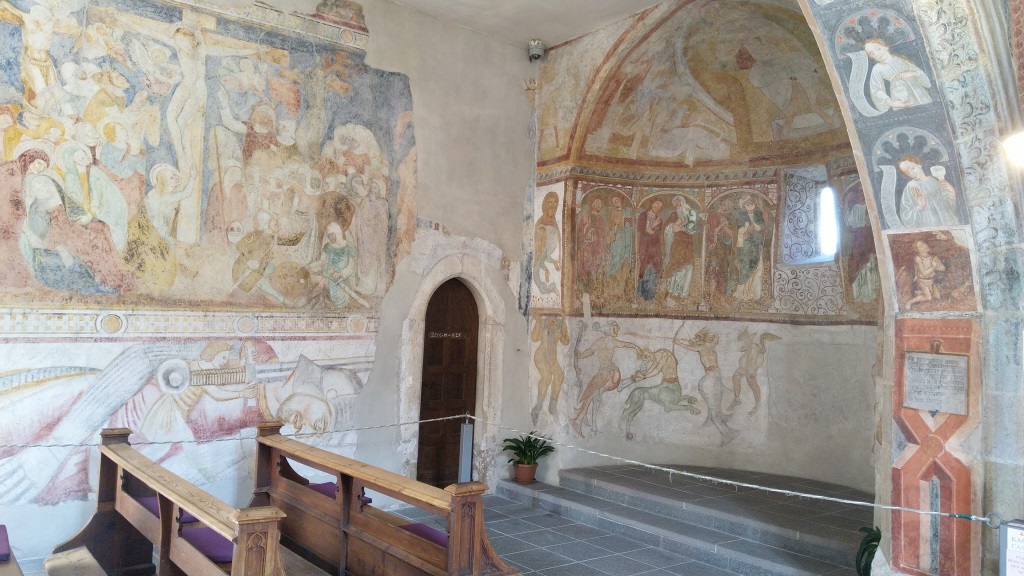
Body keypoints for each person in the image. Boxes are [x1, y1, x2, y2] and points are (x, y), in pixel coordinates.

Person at [570, 322, 639, 437]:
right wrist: (636, 347)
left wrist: (580, 355)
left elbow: (590, 351)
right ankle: (589, 423)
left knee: (592, 396)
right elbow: (624, 344)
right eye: (614, 327)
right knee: (594, 396)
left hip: (607, 373)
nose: (617, 329)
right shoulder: (608, 341)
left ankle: (583, 421)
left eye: (617, 328)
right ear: (608, 329)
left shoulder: (605, 341)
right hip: (612, 373)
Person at [619, 347, 699, 440]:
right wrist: (639, 375)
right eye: (645, 360)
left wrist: (640, 376)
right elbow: (651, 371)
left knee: (669, 401)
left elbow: (656, 370)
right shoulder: (656, 358)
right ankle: (622, 425)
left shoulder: (664, 353)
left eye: (646, 357)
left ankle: (687, 400)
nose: (648, 360)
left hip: (671, 384)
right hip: (666, 384)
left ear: (649, 351)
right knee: (634, 409)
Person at [675, 328, 737, 446]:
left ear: (701, 339)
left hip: (714, 378)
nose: (695, 340)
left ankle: (725, 426)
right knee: (714, 407)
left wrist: (681, 343)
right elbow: (710, 340)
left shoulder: (703, 346)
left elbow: (692, 346)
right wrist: (687, 343)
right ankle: (724, 427)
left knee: (715, 407)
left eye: (697, 338)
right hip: (713, 377)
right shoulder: (708, 346)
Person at [864, 39, 932, 112]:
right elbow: (876, 90)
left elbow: (923, 78)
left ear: (886, 47)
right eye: (872, 54)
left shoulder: (901, 59)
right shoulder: (877, 68)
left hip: (917, 92)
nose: (876, 54)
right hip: (899, 95)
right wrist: (892, 103)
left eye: (878, 49)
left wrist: (912, 73)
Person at [897, 157, 958, 228]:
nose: (911, 173)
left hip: (945, 218)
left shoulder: (933, 180)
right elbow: (906, 216)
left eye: (912, 168)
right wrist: (920, 207)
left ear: (919, 165)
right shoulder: (910, 187)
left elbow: (949, 204)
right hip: (926, 222)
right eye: (907, 172)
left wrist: (952, 193)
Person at [530, 315, 569, 424]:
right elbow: (534, 338)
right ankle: (537, 407)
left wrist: (564, 324)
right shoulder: (543, 323)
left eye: (555, 321)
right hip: (541, 356)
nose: (553, 323)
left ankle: (553, 405)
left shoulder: (559, 324)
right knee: (547, 377)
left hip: (552, 358)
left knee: (559, 376)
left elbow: (565, 342)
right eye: (551, 321)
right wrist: (538, 321)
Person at [661, 196, 698, 300]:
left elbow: (694, 227)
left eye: (680, 202)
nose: (679, 205)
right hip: (677, 243)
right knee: (676, 266)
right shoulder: (674, 215)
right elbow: (668, 228)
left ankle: (684, 292)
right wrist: (674, 226)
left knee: (688, 266)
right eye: (676, 204)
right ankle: (671, 292)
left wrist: (682, 228)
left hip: (688, 243)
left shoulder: (691, 213)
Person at [732, 195, 765, 301]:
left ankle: (755, 293)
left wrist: (754, 227)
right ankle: (742, 293)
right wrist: (746, 231)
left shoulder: (758, 213)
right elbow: (739, 231)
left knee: (758, 267)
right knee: (746, 267)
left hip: (756, 245)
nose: (750, 204)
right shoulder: (741, 215)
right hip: (745, 246)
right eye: (747, 203)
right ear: (743, 205)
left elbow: (761, 227)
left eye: (750, 201)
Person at [533, 191, 561, 295]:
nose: (553, 206)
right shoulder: (541, 228)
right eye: (550, 203)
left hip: (545, 258)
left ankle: (549, 288)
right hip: (540, 260)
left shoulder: (555, 224)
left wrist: (555, 262)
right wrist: (546, 268)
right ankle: (548, 288)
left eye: (555, 203)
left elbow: (547, 255)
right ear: (545, 206)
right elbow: (541, 255)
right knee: (540, 284)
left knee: (543, 287)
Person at [636, 199, 664, 301]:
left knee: (654, 269)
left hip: (655, 248)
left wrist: (650, 230)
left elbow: (657, 235)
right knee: (644, 268)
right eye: (656, 204)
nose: (658, 207)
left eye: (660, 206)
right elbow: (641, 230)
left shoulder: (659, 219)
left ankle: (650, 297)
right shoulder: (643, 216)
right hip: (644, 246)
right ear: (652, 203)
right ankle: (640, 294)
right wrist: (652, 227)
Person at [905, 240, 944, 309]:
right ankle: (909, 302)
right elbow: (924, 274)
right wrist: (933, 267)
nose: (924, 246)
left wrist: (937, 265)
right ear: (917, 250)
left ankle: (919, 293)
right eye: (921, 246)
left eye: (923, 243)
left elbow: (943, 268)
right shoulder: (918, 258)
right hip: (922, 281)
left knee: (937, 297)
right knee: (928, 298)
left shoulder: (932, 257)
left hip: (931, 280)